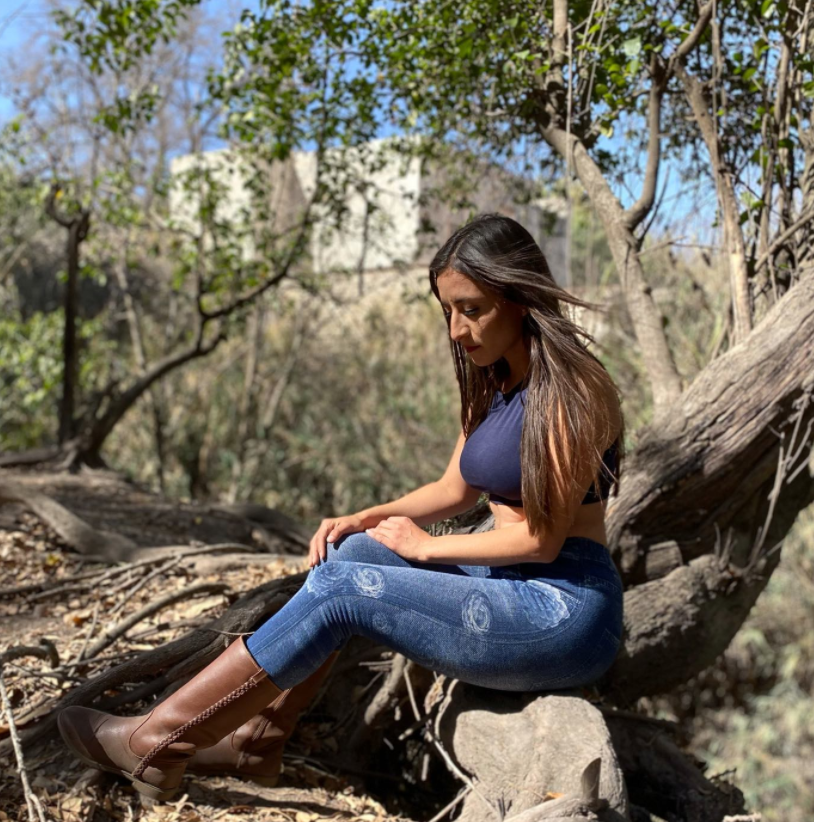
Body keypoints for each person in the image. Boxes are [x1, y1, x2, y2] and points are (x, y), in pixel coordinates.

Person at [57, 213, 626, 802]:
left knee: (344, 591)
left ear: (519, 296)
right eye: (448, 311)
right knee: (352, 553)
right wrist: (365, 518)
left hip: (562, 609)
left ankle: (158, 742)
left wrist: (424, 546)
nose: (457, 330)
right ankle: (256, 742)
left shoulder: (575, 389)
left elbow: (540, 542)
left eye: (472, 309)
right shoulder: (498, 380)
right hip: (506, 584)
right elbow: (454, 491)